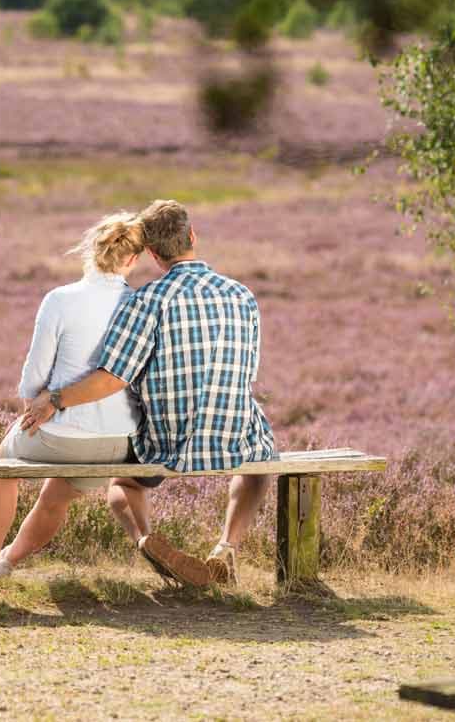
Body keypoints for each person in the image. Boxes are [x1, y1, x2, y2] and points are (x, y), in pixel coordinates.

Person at [21, 199, 275, 587]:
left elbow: (113, 378)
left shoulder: (147, 300)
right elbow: (249, 370)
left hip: (167, 439)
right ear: (193, 236)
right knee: (261, 465)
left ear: (153, 255)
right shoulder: (243, 295)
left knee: (122, 484)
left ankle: (147, 539)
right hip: (235, 433)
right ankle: (226, 548)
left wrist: (55, 400)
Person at [0, 212, 147, 584]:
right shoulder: (140, 305)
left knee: (2, 468)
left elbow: (34, 377)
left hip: (62, 434)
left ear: (90, 251)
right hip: (117, 443)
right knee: (57, 497)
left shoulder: (61, 300)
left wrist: (33, 410)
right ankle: (8, 560)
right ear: (132, 259)